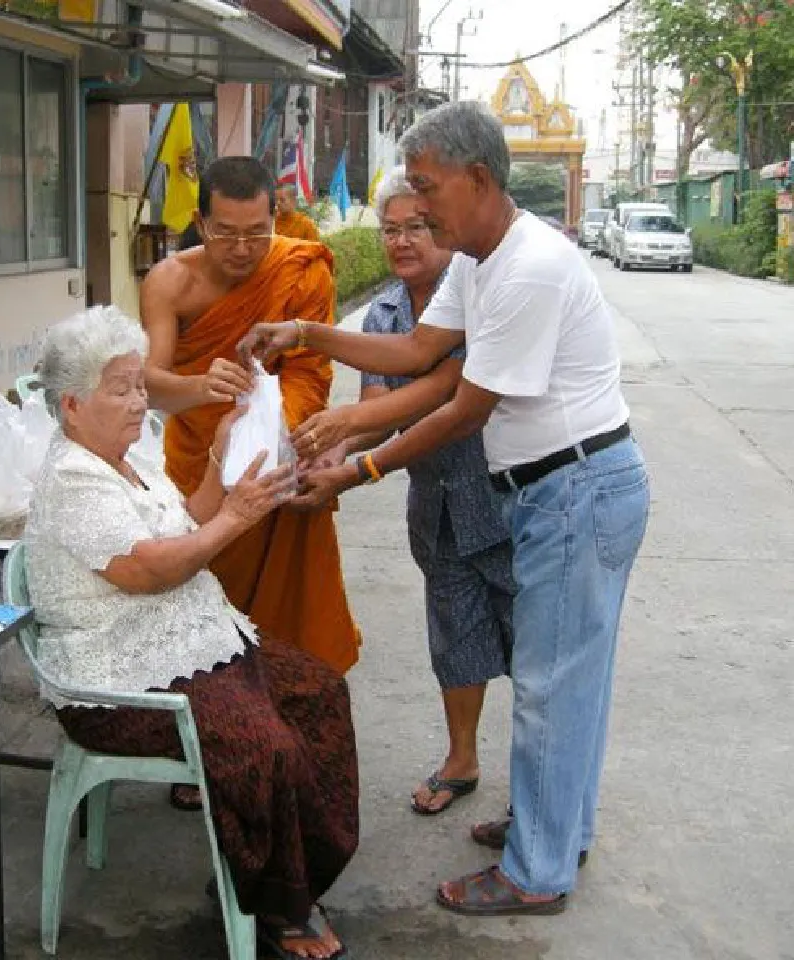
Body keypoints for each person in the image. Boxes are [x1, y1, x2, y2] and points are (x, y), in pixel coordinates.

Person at [240, 101, 650, 916]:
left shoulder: (529, 266)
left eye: (427, 188)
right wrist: (307, 334)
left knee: (548, 689)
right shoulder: (476, 257)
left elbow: (463, 406)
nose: (417, 206)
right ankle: (555, 830)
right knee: (568, 684)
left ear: (479, 179)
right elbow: (417, 349)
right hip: (552, 490)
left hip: (577, 489)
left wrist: (358, 470)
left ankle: (535, 875)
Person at [25, 305, 358, 960]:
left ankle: (291, 875)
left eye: (138, 385)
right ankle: (276, 907)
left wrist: (223, 451)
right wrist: (235, 518)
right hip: (117, 681)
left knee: (319, 691)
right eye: (118, 389)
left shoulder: (129, 458)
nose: (135, 402)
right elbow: (149, 571)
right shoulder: (72, 480)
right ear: (71, 405)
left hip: (191, 645)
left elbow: (186, 522)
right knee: (267, 748)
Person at [294, 169, 514, 816]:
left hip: (501, 497)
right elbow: (376, 407)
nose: (402, 241)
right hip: (437, 505)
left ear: (443, 227)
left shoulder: (474, 294)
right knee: (455, 634)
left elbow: (445, 395)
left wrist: (356, 461)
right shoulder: (385, 312)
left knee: (534, 645)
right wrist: (332, 451)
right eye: (390, 229)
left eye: (417, 226)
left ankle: (538, 788)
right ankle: (462, 759)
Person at [140, 156, 361, 677]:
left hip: (279, 455)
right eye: (226, 234)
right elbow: (150, 385)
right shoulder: (170, 282)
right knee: (199, 595)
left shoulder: (299, 267)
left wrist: (265, 432)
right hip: (197, 458)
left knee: (286, 613)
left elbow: (310, 375)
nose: (242, 250)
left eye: (257, 234)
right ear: (201, 224)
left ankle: (288, 707)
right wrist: (201, 386)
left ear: (275, 222)